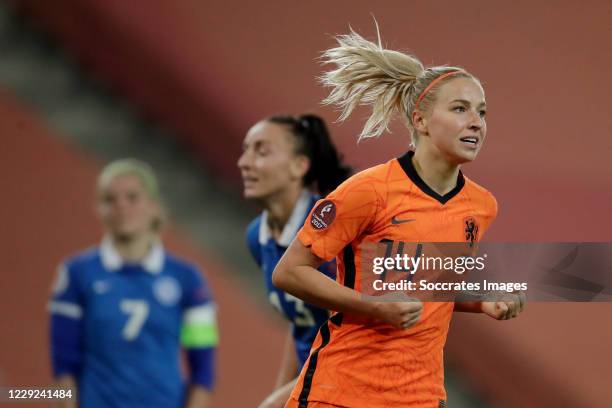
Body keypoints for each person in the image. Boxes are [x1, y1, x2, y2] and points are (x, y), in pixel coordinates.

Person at [273, 27, 525, 407]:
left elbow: (430, 281)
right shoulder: (369, 191)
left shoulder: (481, 205)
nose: (477, 121)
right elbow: (289, 272)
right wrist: (373, 306)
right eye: (460, 108)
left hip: (419, 396)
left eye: (482, 111)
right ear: (421, 122)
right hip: (342, 392)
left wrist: (483, 301)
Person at [48, 159, 217, 408]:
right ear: (99, 209)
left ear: (154, 206)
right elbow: (63, 368)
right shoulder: (75, 274)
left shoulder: (188, 279)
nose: (121, 206)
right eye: (110, 199)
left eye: (132, 197)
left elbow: (203, 371)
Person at [238, 115, 350, 408]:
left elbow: (347, 335)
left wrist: (280, 401)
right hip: (312, 387)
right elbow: (300, 321)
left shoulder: (330, 226)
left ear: (299, 166)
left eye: (261, 152)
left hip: (350, 387)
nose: (244, 162)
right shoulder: (257, 237)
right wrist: (281, 392)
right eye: (245, 150)